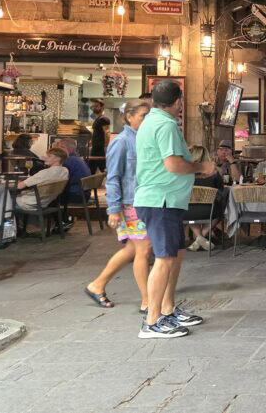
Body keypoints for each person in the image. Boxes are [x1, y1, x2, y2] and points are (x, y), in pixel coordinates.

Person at [134, 79, 211, 339]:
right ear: (178, 101)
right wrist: (201, 168)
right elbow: (173, 165)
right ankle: (152, 321)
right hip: (161, 200)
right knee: (165, 259)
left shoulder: (152, 122)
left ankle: (167, 309)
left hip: (166, 200)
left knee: (176, 255)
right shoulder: (165, 125)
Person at [85, 100, 152, 310]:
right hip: (129, 203)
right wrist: (113, 209)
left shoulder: (144, 139)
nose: (147, 119)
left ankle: (97, 285)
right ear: (129, 116)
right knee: (144, 249)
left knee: (133, 249)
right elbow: (112, 177)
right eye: (143, 115)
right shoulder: (121, 142)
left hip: (142, 201)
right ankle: (147, 301)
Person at [185, 146, 225, 251]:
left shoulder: (184, 174)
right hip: (210, 212)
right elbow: (221, 191)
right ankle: (202, 237)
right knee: (221, 208)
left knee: (188, 209)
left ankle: (199, 238)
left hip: (188, 213)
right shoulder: (215, 173)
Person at [14, 147, 69, 212]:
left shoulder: (45, 172)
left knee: (4, 199)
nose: (45, 158)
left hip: (29, 203)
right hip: (45, 202)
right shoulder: (65, 171)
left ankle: (8, 221)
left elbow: (19, 186)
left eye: (49, 156)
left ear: (58, 158)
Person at [54, 137, 90, 217]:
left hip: (76, 195)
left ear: (65, 148)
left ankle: (59, 222)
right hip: (83, 194)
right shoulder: (77, 159)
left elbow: (61, 181)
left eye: (58, 148)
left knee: (46, 198)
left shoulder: (68, 161)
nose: (56, 150)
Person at [89, 99, 110, 173]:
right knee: (91, 168)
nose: (94, 107)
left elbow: (107, 132)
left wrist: (105, 146)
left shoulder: (104, 119)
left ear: (102, 108)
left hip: (100, 148)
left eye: (97, 106)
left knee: (103, 168)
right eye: (94, 106)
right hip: (95, 147)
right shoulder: (97, 119)